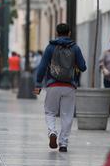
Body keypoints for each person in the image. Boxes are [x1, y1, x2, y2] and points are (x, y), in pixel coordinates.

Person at [34, 23, 86, 152]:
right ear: (69, 33)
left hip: (53, 84)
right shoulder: (75, 48)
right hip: (70, 86)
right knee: (67, 115)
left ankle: (52, 132)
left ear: (56, 33)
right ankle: (63, 144)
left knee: (50, 111)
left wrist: (37, 85)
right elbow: (83, 67)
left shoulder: (50, 47)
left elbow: (41, 67)